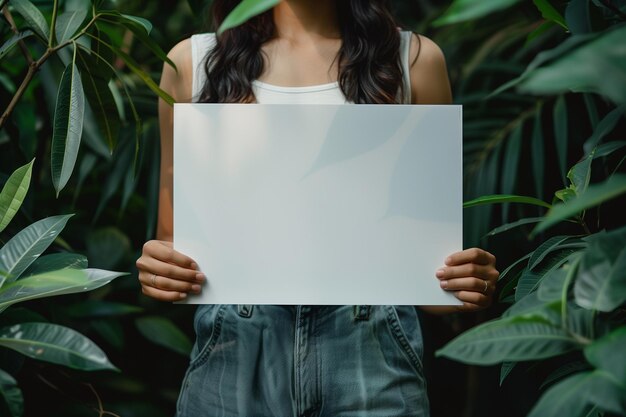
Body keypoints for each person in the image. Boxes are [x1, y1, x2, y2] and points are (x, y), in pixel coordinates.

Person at [136, 0, 499, 416]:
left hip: (369, 348)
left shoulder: (412, 61)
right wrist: (161, 268)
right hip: (237, 347)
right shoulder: (194, 63)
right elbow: (174, 242)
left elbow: (432, 271)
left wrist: (466, 279)